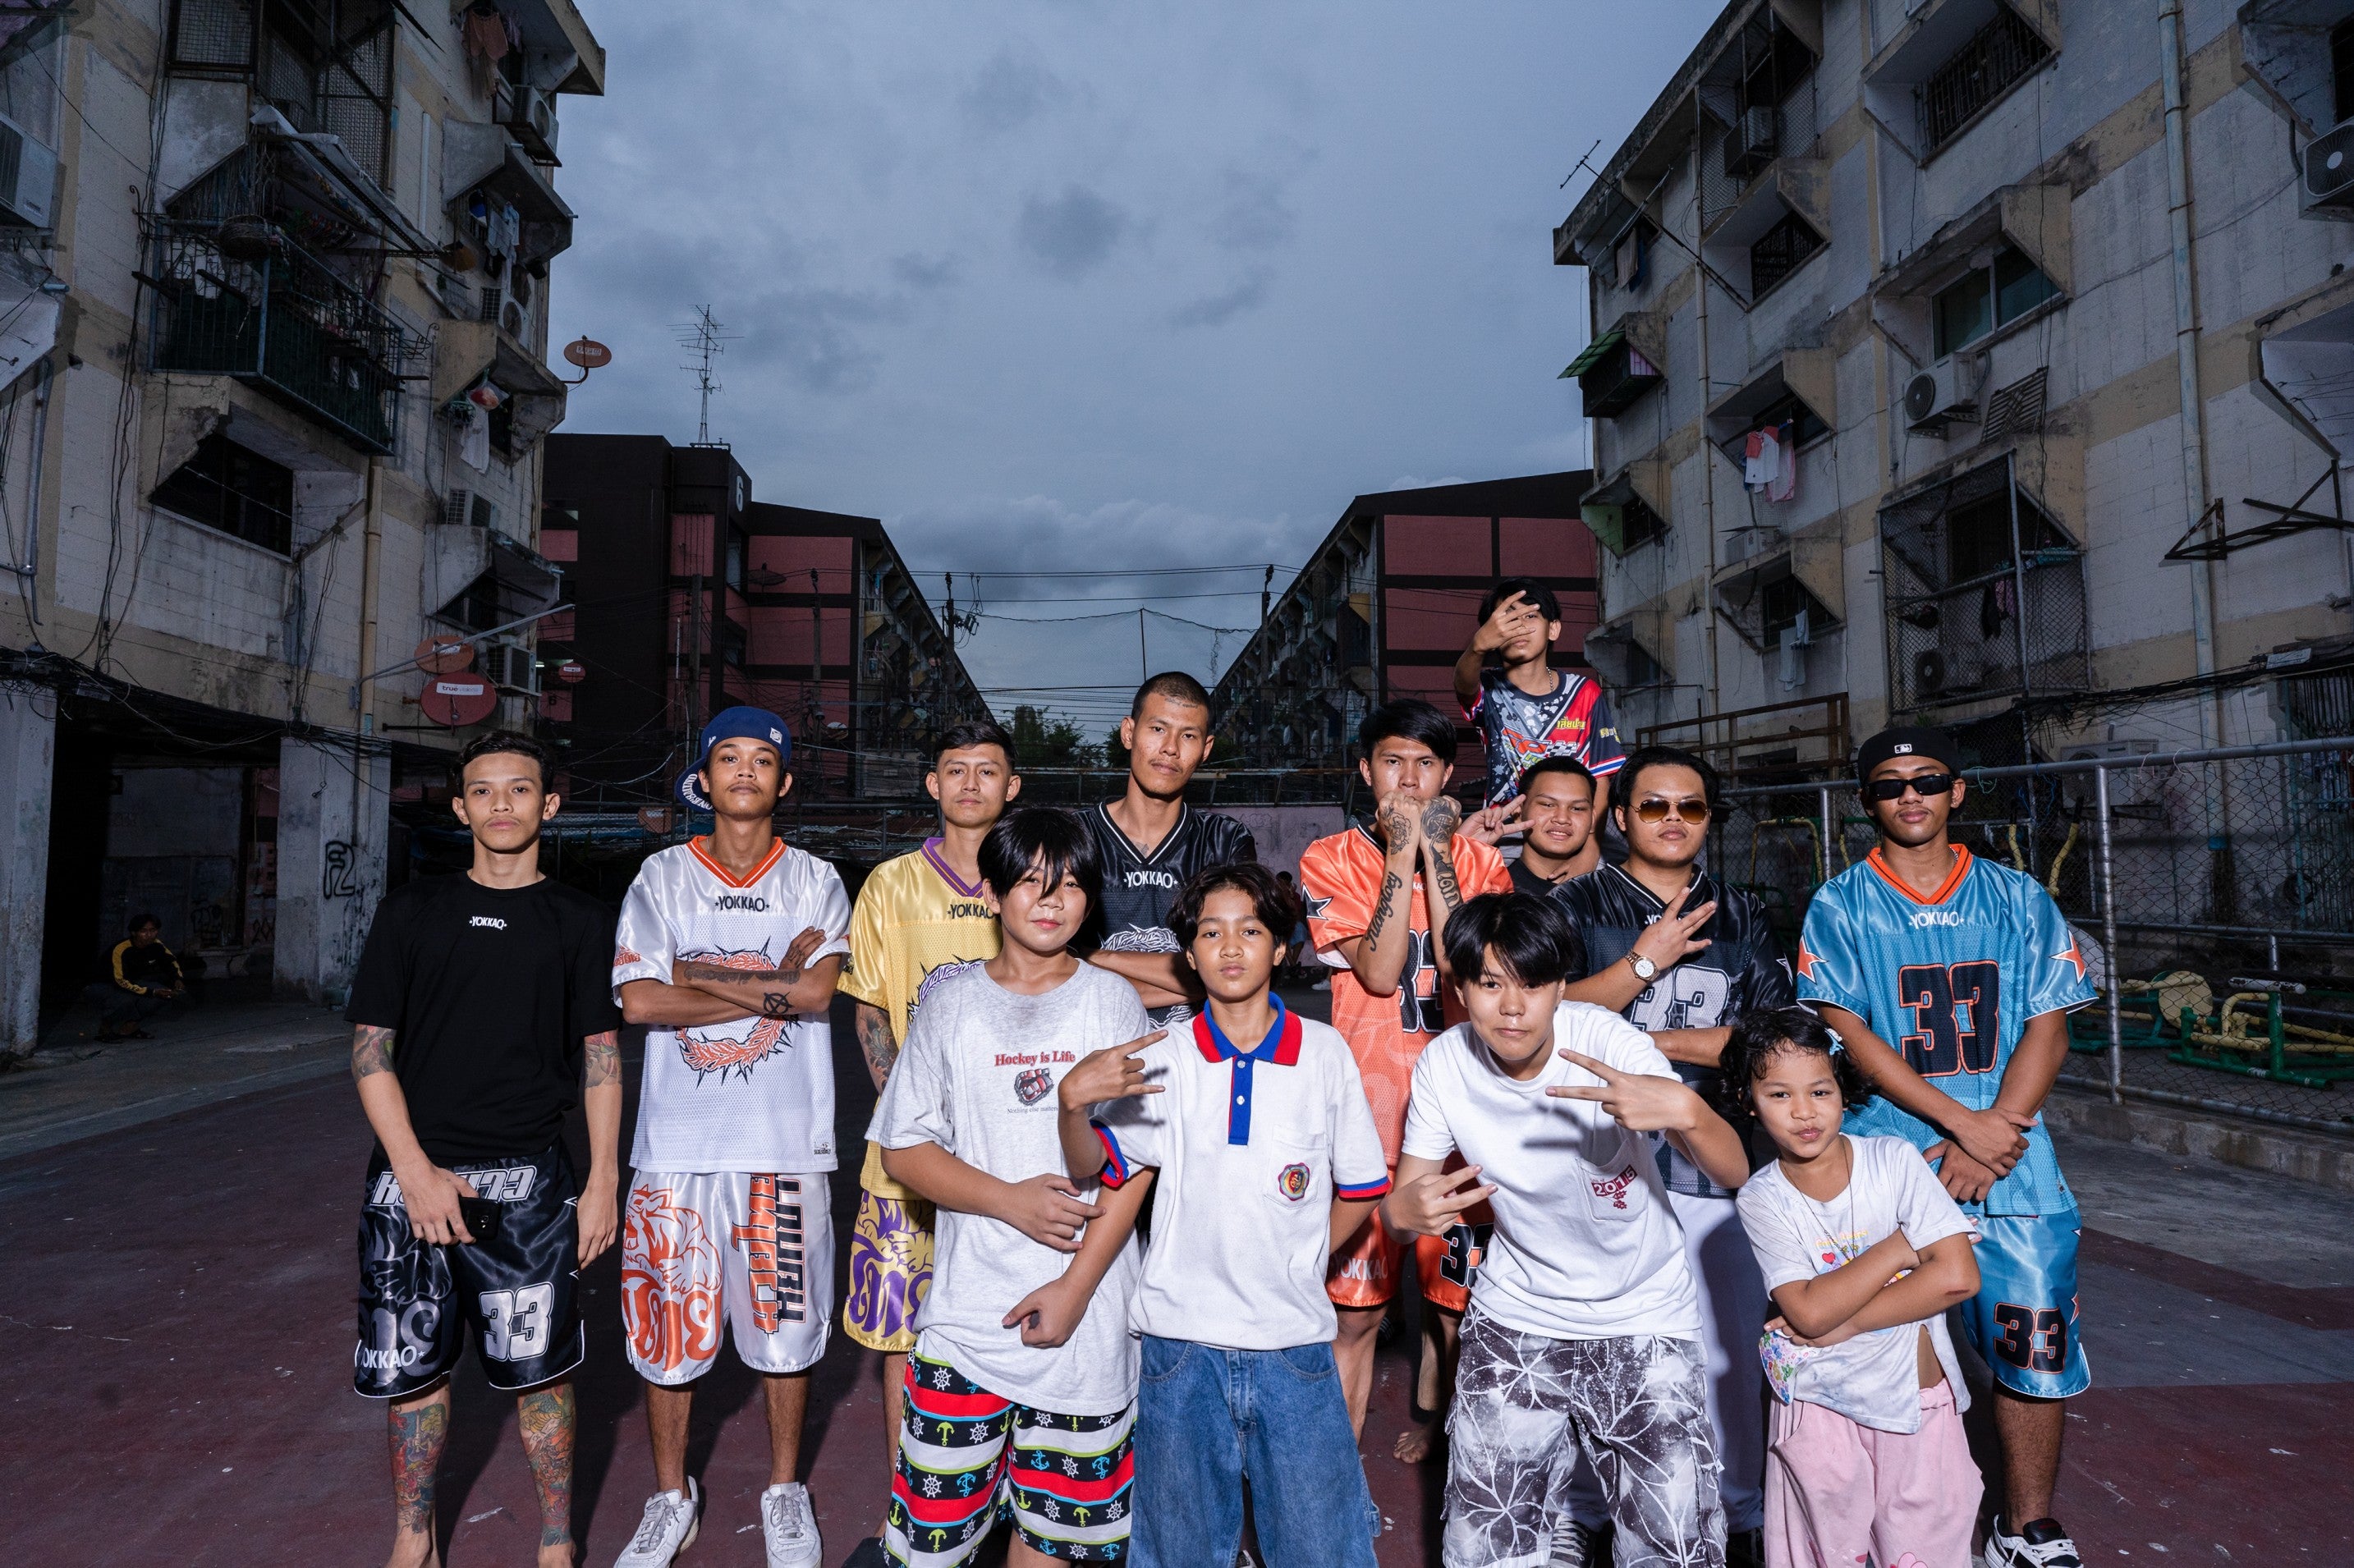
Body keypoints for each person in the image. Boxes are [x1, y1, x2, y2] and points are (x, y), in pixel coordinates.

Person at [1795, 726, 2097, 1568]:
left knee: (2029, 1346)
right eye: (1889, 785)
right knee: (1878, 1355)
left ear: (1956, 790)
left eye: (1927, 779)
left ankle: (2024, 1525)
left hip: (2012, 1157)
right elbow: (1848, 1034)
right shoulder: (1840, 902)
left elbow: (2048, 1024)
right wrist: (1959, 1124)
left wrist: (1993, 1129)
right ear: (1866, 804)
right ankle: (1880, 1527)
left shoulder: (2016, 896)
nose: (1910, 795)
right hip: (1893, 1158)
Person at [1385, 892, 1749, 1568]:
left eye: (1533, 983)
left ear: (1559, 986)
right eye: (1490, 984)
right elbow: (1402, 1207)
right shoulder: (1444, 1064)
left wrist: (1688, 1114)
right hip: (1517, 1313)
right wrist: (1400, 1215)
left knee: (1673, 1547)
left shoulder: (1607, 1041)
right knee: (1483, 1541)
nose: (1512, 1006)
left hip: (1642, 1314)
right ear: (1460, 988)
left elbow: (1734, 1171)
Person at [1058, 862, 1390, 1567]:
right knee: (1178, 1551)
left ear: (1280, 948)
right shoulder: (1164, 1057)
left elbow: (1361, 1188)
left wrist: (1301, 1258)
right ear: (1189, 953)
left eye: (1251, 930)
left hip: (1292, 1346)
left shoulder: (1323, 1053)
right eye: (1211, 932)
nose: (1231, 946)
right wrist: (1070, 1104)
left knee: (1323, 1548)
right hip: (1179, 1347)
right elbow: (1097, 1168)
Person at [344, 730, 622, 1568]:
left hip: (532, 1184)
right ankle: (411, 1534)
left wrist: (604, 1180)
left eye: (519, 789)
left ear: (549, 803)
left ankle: (554, 1538)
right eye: (484, 790)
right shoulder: (411, 912)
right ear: (460, 805)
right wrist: (414, 1171)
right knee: (411, 1371)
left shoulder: (578, 918)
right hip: (409, 1182)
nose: (502, 804)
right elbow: (369, 1051)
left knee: (541, 1373)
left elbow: (601, 1058)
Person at [874, 807, 1159, 1567]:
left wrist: (1071, 1288)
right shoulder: (952, 1003)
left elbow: (1130, 1170)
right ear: (994, 893)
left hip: (1087, 1324)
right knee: (930, 1545)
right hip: (968, 1321)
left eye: (1068, 886)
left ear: (1089, 901)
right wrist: (1010, 1201)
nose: (1049, 899)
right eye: (1030, 882)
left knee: (1052, 1545)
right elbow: (903, 1149)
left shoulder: (1110, 1001)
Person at [610, 707, 851, 1568]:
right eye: (726, 757)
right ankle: (670, 1494)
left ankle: (784, 1491)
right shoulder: (661, 877)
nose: (744, 771)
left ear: (783, 782)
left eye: (762, 760)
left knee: (787, 1329)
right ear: (702, 779)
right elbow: (640, 1002)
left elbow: (819, 996)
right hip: (674, 1144)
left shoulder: (817, 879)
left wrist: (697, 971)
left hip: (783, 1142)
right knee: (666, 1332)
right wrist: (769, 977)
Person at [1553, 745, 1794, 1566]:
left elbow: (1766, 1035)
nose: (1669, 820)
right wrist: (1641, 963)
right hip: (1595, 1158)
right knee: (1599, 1338)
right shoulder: (1573, 901)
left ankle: (1740, 1508)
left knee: (1724, 1344)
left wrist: (1636, 1041)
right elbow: (1541, 1013)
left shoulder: (1739, 909)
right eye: (1651, 805)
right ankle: (1584, 1506)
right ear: (1618, 815)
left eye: (1688, 807)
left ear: (1706, 819)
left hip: (1710, 1151)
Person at [1297, 698, 1512, 1445]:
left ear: (1450, 776)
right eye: (1393, 761)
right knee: (1353, 1317)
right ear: (1366, 769)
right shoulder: (1328, 858)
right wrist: (1399, 854)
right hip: (1366, 1113)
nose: (1409, 780)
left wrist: (1441, 856)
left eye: (1426, 764)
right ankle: (1334, 1484)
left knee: (1459, 1310)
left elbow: (1464, 966)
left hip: (1464, 1111)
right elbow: (1383, 974)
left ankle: (1455, 1455)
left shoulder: (1482, 864)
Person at [838, 720, 1020, 1568]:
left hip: (1015, 1160)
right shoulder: (889, 883)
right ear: (931, 783)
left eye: (988, 770)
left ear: (1012, 787)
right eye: (956, 769)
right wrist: (909, 1115)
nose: (972, 783)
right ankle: (907, 1506)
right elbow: (870, 1008)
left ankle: (1010, 1506)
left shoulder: (1033, 881)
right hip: (908, 1163)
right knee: (901, 1336)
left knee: (1011, 1326)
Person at [1723, 1006, 1984, 1568]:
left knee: (1928, 1556)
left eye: (1819, 1091)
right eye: (1777, 1095)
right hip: (1818, 1408)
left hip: (1914, 1408)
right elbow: (1806, 1314)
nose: (1802, 1113)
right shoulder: (1762, 1198)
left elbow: (1957, 1276)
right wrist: (1899, 1247)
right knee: (1818, 1557)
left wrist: (1847, 1319)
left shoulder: (1893, 1161)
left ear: (1842, 1089)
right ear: (1748, 1101)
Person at [1081, 672, 1257, 1024]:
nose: (1171, 748)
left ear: (1205, 749)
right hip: (1098, 1052)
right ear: (1129, 733)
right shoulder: (1076, 836)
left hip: (1200, 1060)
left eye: (1188, 735)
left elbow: (1235, 968)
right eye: (1158, 729)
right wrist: (1198, 982)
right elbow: (1051, 971)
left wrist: (1097, 958)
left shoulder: (1225, 841)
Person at [1455, 576, 1626, 813]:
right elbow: (1463, 685)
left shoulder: (1584, 693)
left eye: (1531, 616)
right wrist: (1476, 647)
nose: (1520, 626)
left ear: (1553, 629)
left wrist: (1590, 843)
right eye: (1509, 618)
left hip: (1569, 832)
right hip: (1504, 831)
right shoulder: (1487, 687)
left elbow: (1600, 777)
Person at [1507, 755, 1602, 892]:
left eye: (1577, 808)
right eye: (1548, 805)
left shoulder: (1614, 894)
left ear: (1593, 820)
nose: (1562, 818)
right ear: (1518, 812)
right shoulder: (1488, 886)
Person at [92, 913, 188, 1039]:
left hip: (130, 981)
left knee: (166, 994)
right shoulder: (122, 949)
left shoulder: (156, 945)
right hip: (102, 985)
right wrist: (152, 992)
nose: (149, 935)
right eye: (144, 931)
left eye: (153, 930)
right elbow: (120, 981)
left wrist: (177, 979)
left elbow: (170, 962)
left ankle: (129, 1028)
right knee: (126, 1000)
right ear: (134, 932)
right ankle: (104, 1029)